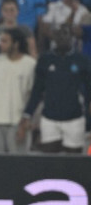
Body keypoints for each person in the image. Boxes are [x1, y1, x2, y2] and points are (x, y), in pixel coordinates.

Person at [19, 25, 91, 153]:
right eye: (58, 34)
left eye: (65, 33)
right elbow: (37, 90)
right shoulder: (45, 60)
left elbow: (88, 91)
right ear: (53, 37)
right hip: (49, 117)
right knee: (50, 159)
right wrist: (28, 113)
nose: (62, 37)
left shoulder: (82, 60)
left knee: (73, 160)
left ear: (71, 36)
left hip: (74, 117)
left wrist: (88, 119)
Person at [0, 28, 36, 153]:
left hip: (18, 123)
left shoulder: (30, 64)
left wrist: (26, 124)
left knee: (18, 166)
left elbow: (31, 96)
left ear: (16, 44)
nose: (1, 44)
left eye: (5, 41)